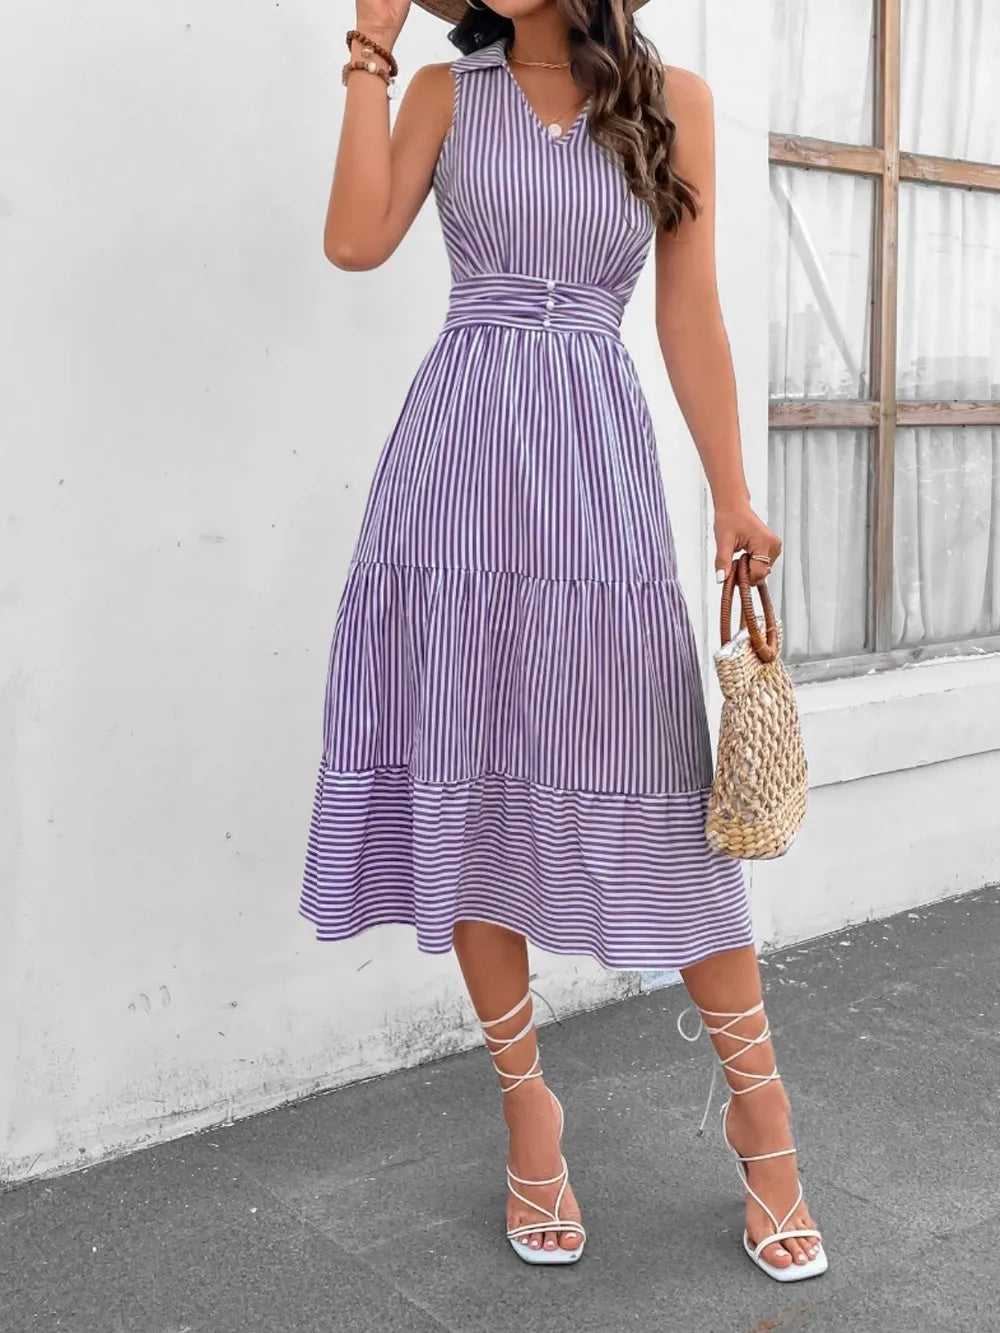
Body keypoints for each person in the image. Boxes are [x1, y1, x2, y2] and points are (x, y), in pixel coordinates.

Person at [299, 0, 828, 1283]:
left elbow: (688, 313)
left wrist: (732, 492)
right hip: (449, 479)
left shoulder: (672, 100)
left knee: (660, 793)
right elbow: (354, 241)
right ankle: (526, 1108)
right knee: (471, 783)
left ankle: (763, 1121)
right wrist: (369, 53)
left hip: (594, 476)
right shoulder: (445, 93)